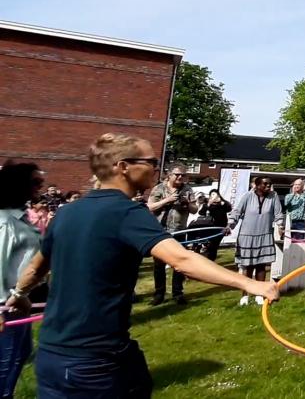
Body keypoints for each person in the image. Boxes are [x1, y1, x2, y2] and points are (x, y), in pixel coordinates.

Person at [8, 133, 278, 399]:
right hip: (96, 361)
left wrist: (19, 295)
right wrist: (249, 283)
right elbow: (182, 260)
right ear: (123, 167)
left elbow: (36, 268)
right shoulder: (127, 212)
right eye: (151, 162)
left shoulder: (66, 213)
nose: (156, 168)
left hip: (51, 356)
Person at [0, 162, 44, 399]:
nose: (41, 187)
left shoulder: (21, 218)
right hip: (6, 305)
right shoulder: (5, 222)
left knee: (21, 353)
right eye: (36, 182)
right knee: (4, 363)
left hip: (20, 302)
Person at [228, 176, 284, 306]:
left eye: (270, 184)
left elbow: (278, 214)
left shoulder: (273, 196)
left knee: (261, 265)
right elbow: (237, 212)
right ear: (257, 185)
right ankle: (245, 295)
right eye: (265, 184)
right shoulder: (247, 196)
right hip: (247, 236)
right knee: (247, 266)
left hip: (264, 235)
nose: (268, 187)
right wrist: (230, 225)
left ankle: (260, 294)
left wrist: (280, 226)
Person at [146, 163, 198, 306]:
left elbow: (194, 209)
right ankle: (159, 294)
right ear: (169, 175)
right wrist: (166, 200)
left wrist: (187, 204)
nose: (180, 177)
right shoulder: (159, 188)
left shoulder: (187, 189)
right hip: (160, 231)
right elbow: (149, 207)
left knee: (179, 264)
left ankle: (178, 293)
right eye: (177, 174)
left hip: (179, 231)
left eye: (183, 175)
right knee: (159, 265)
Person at [201, 190, 231, 262]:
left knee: (215, 245)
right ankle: (207, 259)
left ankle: (211, 260)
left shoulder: (223, 204)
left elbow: (229, 209)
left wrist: (222, 203)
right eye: (212, 195)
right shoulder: (208, 204)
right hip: (209, 227)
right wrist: (209, 204)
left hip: (220, 228)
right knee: (209, 245)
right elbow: (201, 212)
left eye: (216, 195)